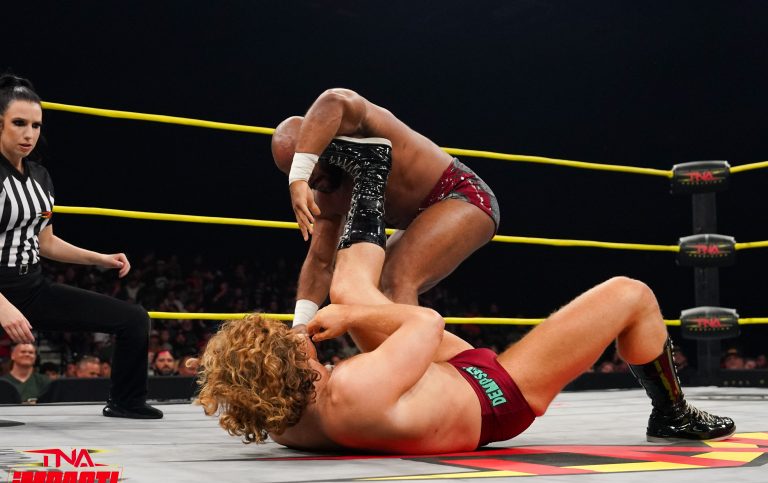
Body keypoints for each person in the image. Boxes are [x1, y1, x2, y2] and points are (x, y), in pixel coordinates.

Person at [197, 149, 735, 453]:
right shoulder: (350, 391)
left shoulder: (281, 421)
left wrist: (335, 304)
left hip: (441, 385)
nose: (297, 336)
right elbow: (426, 322)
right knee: (631, 294)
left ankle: (366, 177)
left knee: (346, 289)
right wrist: (353, 315)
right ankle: (672, 412)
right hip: (496, 396)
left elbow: (296, 360)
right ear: (290, 368)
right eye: (289, 342)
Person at [0, 74, 161, 419]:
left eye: (36, 125)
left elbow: (46, 242)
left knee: (134, 318)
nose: (29, 134)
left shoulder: (40, 177)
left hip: (31, 288)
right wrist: (2, 305)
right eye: (19, 123)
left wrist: (99, 259)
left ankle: (126, 401)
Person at [271, 88, 499, 328]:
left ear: (320, 145)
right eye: (292, 173)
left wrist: (298, 176)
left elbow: (333, 100)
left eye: (308, 167)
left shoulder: (365, 130)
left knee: (396, 276)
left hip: (461, 193)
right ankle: (411, 349)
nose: (310, 182)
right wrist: (300, 326)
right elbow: (320, 262)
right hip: (422, 217)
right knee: (366, 288)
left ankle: (416, 350)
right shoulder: (327, 195)